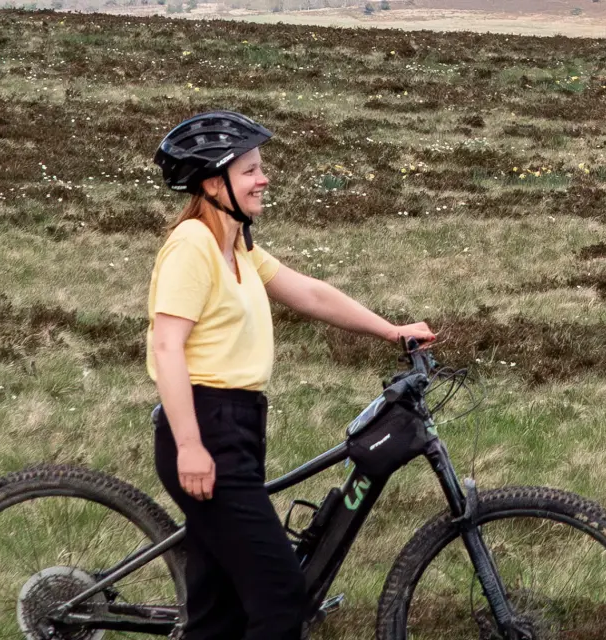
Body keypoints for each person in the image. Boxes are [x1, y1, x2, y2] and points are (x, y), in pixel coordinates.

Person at [147, 110, 435, 640]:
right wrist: (190, 445)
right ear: (214, 183)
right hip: (206, 428)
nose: (263, 178)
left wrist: (391, 331)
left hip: (238, 427)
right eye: (250, 170)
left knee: (220, 609)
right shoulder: (192, 246)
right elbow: (167, 346)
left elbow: (309, 293)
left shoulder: (237, 246)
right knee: (282, 599)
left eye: (261, 168)